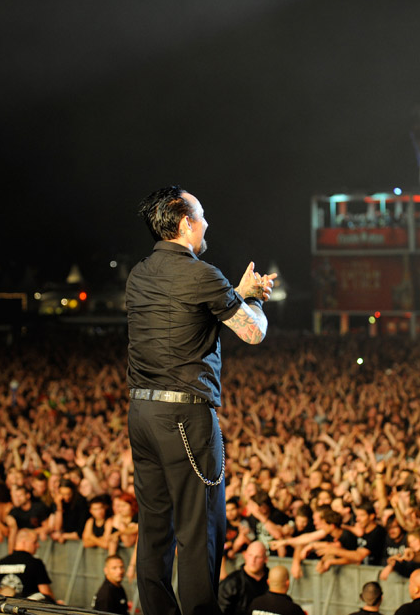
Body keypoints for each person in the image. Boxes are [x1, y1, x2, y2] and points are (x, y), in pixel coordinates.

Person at [126, 185, 275, 615]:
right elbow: (253, 332)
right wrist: (253, 298)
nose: (207, 223)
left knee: (154, 526)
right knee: (199, 526)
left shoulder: (138, 273)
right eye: (202, 215)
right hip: (184, 416)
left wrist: (234, 294)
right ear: (186, 223)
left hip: (142, 412)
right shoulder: (202, 273)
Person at [0, 528, 55, 601]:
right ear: (24, 542)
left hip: (5, 607)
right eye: (34, 542)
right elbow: (45, 594)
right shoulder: (35, 563)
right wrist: (55, 603)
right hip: (27, 609)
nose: (38, 545)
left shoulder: (0, 563)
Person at [219, 541, 270, 615]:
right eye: (250, 555)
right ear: (245, 555)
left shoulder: (272, 581)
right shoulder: (230, 583)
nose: (253, 560)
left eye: (258, 557)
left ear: (265, 559)